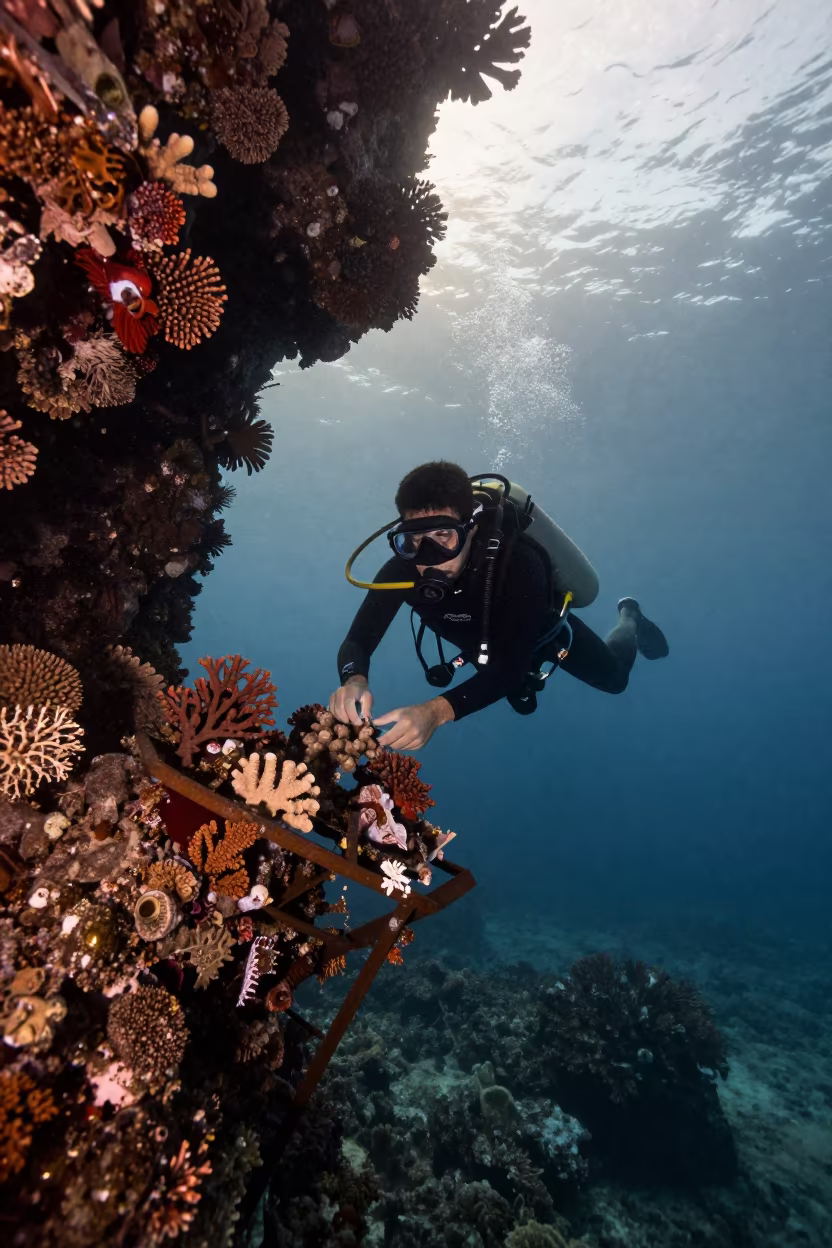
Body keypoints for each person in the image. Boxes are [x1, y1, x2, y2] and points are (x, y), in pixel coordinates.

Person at [329, 461, 668, 751]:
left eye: (444, 537)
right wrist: (354, 680)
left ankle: (630, 617)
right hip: (484, 650)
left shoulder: (517, 563)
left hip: (541, 635)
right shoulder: (401, 569)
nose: (428, 558)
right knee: (519, 700)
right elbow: (358, 639)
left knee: (615, 680)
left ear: (471, 528)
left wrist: (434, 712)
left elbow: (510, 667)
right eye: (414, 539)